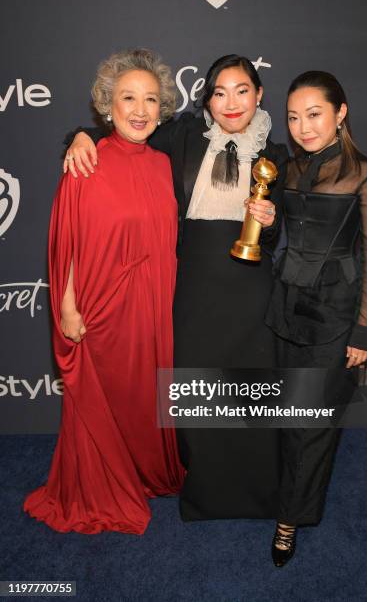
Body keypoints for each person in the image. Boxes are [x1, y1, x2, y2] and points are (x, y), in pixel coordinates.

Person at [63, 54, 289, 521]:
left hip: (251, 284)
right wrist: (78, 137)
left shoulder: (278, 155)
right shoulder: (183, 135)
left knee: (251, 387)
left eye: (242, 90)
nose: (231, 102)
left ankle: (259, 493)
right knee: (195, 386)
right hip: (193, 280)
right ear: (206, 99)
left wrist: (269, 222)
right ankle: (205, 493)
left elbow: (283, 226)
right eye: (219, 92)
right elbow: (124, 134)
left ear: (259, 94)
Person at [24, 49, 184, 534]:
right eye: (128, 98)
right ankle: (98, 486)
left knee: (142, 396)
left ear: (163, 108)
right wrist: (67, 307)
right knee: (102, 396)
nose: (139, 110)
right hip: (100, 311)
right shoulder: (86, 161)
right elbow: (66, 240)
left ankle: (139, 471)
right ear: (106, 107)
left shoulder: (162, 164)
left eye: (150, 99)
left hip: (151, 308)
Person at [265, 71, 367, 566]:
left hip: (336, 312)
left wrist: (365, 330)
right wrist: (270, 223)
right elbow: (276, 242)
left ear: (340, 113)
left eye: (314, 114)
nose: (302, 127)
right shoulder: (289, 169)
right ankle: (289, 496)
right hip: (285, 307)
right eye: (294, 117)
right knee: (288, 415)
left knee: (311, 422)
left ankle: (288, 521)